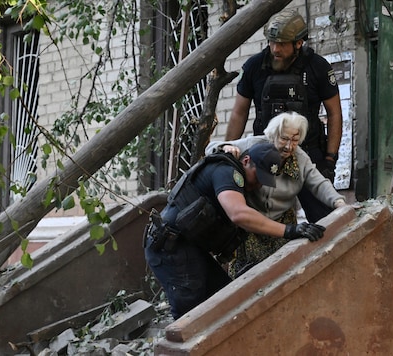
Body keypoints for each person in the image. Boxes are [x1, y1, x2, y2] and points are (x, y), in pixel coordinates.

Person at [144, 142, 326, 319]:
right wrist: (290, 230)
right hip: (170, 248)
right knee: (191, 318)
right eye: (258, 176)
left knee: (222, 302)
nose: (259, 185)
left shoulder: (237, 176)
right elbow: (238, 214)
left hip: (189, 247)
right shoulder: (227, 171)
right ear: (246, 161)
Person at [225, 9, 343, 223]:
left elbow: (335, 114)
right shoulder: (254, 66)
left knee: (326, 221)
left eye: (281, 43)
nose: (275, 49)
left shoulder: (318, 67)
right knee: (263, 222)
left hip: (308, 156)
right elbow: (238, 113)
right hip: (265, 156)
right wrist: (228, 151)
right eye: (271, 42)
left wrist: (330, 160)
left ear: (298, 43)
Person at [207, 112, 346, 278]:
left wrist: (339, 202)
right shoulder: (255, 145)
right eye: (284, 139)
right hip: (252, 224)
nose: (289, 146)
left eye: (295, 140)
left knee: (285, 273)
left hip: (283, 222)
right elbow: (211, 148)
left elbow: (319, 183)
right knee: (250, 276)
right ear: (273, 135)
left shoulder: (300, 158)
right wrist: (225, 148)